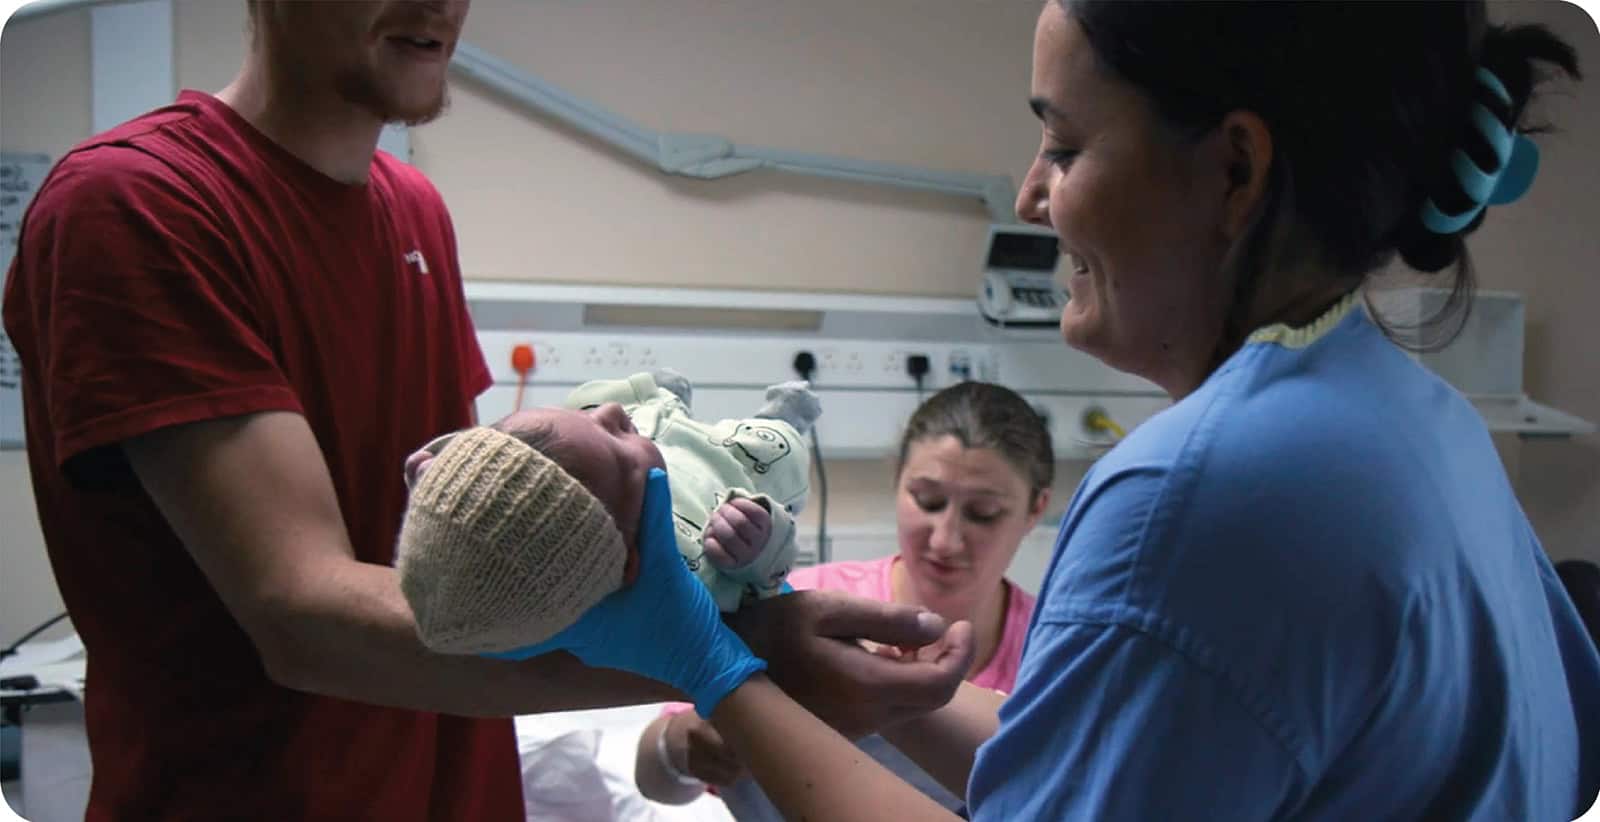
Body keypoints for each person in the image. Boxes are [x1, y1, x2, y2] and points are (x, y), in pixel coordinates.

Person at [517, 2, 1600, 820]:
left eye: (1066, 145)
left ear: (1234, 170)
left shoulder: (1204, 491)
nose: (1033, 195)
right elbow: (1104, 763)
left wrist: (712, 661)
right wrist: (879, 688)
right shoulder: (1416, 417)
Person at [0, 2, 967, 818]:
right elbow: (302, 618)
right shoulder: (142, 204)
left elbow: (493, 559)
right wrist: (737, 657)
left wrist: (735, 611)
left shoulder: (413, 211)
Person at [634, 381, 1053, 817]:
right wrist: (681, 745)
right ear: (897, 481)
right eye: (927, 501)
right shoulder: (798, 604)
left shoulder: (1058, 653)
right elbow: (653, 775)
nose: (946, 540)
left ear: (1035, 509)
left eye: (983, 513)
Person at [395, 370, 819, 654]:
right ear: (629, 562)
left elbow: (493, 458)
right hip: (728, 463)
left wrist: (445, 466)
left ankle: (666, 399)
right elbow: (760, 589)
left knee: (628, 406)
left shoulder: (601, 463)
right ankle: (789, 417)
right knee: (773, 450)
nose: (611, 415)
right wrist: (755, 545)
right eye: (616, 442)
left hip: (656, 425)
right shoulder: (684, 579)